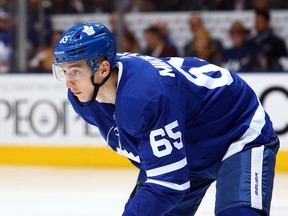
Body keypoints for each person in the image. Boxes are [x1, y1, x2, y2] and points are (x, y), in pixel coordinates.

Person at [52, 22, 279, 216]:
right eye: (63, 71)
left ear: (102, 69)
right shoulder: (82, 98)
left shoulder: (144, 96)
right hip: (185, 143)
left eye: (75, 71)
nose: (68, 83)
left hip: (236, 132)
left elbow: (167, 184)